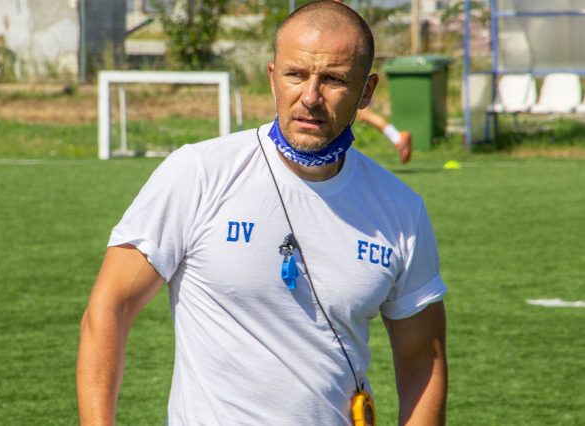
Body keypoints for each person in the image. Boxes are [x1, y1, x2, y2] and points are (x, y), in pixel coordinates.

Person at [77, 1, 447, 425]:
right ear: (273, 78)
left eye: (333, 79)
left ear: (366, 91)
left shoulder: (401, 210)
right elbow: (111, 306)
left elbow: (424, 361)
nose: (310, 97)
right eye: (295, 75)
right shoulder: (199, 173)